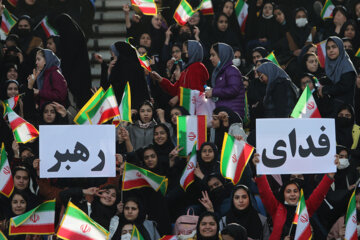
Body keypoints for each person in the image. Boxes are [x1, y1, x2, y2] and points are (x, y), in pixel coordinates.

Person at [252, 153, 336, 239]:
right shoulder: (276, 208)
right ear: (283, 194)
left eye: (295, 191)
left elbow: (319, 194)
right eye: (288, 191)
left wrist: (330, 175)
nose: (292, 194)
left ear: (300, 194)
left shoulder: (306, 208)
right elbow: (265, 192)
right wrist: (259, 169)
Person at [150, 40, 209, 106]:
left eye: (184, 50)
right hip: (187, 109)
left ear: (193, 51)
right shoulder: (186, 70)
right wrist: (160, 79)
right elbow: (175, 90)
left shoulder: (197, 67)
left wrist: (179, 97)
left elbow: (196, 92)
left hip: (195, 111)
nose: (183, 53)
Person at [205, 43, 245, 118]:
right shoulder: (221, 71)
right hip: (224, 114)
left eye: (213, 55)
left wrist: (214, 92)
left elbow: (234, 90)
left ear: (222, 55)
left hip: (232, 114)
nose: (210, 58)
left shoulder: (232, 70)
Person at [318, 36, 357, 110]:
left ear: (341, 48)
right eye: (328, 48)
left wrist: (325, 89)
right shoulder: (332, 65)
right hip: (332, 107)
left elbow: (343, 87)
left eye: (334, 47)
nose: (331, 50)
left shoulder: (347, 67)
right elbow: (332, 79)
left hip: (344, 111)